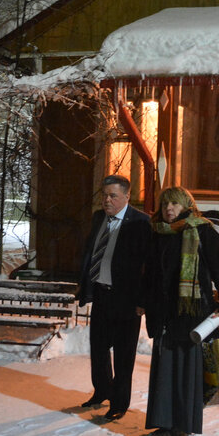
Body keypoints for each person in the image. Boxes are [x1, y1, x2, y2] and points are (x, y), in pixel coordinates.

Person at [142, 186, 219, 436]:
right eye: (165, 205)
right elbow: (150, 274)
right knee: (164, 370)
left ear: (186, 206)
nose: (169, 209)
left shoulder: (202, 230)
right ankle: (164, 424)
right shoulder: (158, 233)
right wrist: (143, 303)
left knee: (185, 371)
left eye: (174, 204)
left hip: (192, 313)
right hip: (164, 313)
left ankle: (181, 427)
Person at [76, 174, 151, 421]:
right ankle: (102, 391)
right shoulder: (99, 218)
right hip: (101, 293)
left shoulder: (141, 223)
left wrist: (142, 301)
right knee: (98, 349)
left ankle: (119, 402)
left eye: (113, 196)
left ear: (127, 196)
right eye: (104, 195)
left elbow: (147, 266)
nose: (107, 200)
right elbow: (91, 253)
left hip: (127, 300)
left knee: (123, 354)